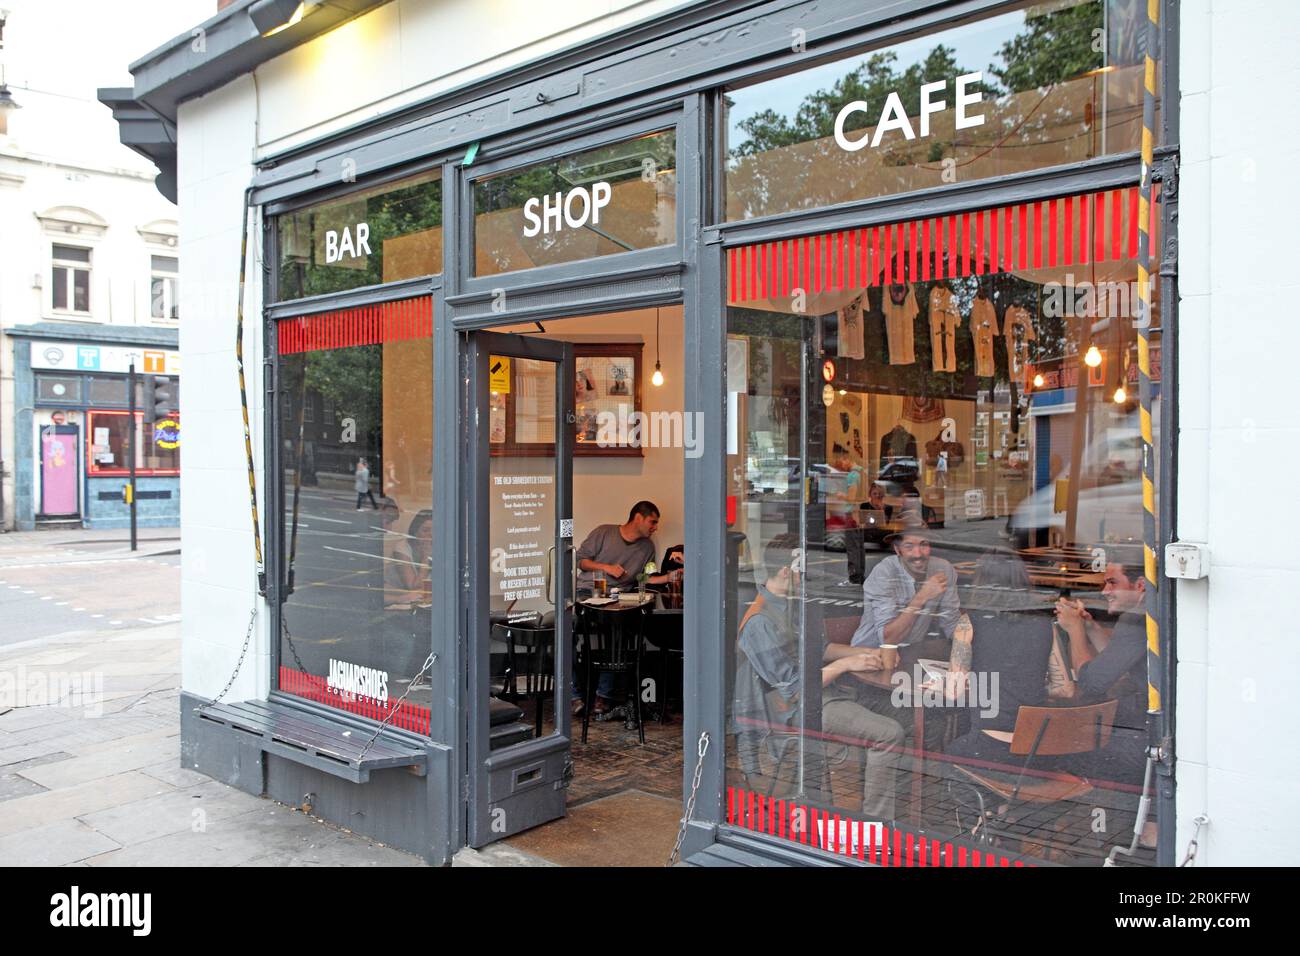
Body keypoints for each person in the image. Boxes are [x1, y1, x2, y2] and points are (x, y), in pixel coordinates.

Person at [733, 539, 905, 821]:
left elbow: (819, 648)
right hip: (797, 709)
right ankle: (877, 824)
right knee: (889, 733)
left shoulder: (789, 604)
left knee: (904, 716)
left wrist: (865, 652)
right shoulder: (759, 622)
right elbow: (794, 690)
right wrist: (845, 664)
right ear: (787, 572)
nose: (808, 578)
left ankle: (886, 809)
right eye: (804, 572)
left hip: (820, 694)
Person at [941, 552, 1055, 769]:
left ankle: (995, 802)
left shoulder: (969, 623)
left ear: (982, 582)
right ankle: (1005, 804)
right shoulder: (1046, 624)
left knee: (951, 752)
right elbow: (1064, 687)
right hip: (1037, 750)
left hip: (987, 746)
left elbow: (953, 693)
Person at [1050, 561, 1150, 785]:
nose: (1105, 591)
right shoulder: (1153, 612)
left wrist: (1075, 630)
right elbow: (1118, 660)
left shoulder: (1137, 619)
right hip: (1163, 727)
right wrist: (1091, 628)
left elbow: (1092, 682)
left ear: (1140, 585)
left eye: (1112, 583)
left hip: (1148, 739)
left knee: (1068, 750)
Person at [573, 501, 675, 716]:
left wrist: (668, 577)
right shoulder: (604, 532)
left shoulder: (648, 547)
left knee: (616, 631)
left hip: (619, 598)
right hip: (588, 593)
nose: (655, 527)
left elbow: (645, 577)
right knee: (568, 633)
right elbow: (580, 560)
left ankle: (603, 696)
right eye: (652, 522)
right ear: (638, 517)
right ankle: (575, 696)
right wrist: (606, 567)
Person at [851, 522, 960, 648]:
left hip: (910, 652)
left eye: (923, 544)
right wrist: (922, 597)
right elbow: (888, 640)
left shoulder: (943, 569)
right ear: (898, 550)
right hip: (869, 655)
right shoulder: (884, 572)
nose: (918, 554)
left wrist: (964, 643)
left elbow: (951, 622)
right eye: (909, 546)